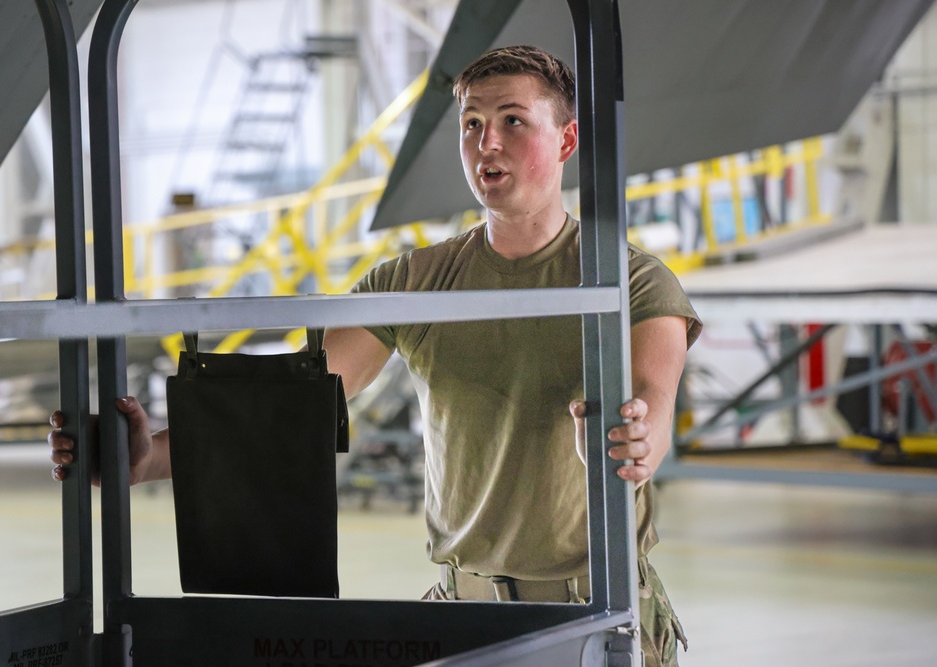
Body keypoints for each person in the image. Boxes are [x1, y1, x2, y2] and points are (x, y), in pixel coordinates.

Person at [49, 45, 700, 667]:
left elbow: (653, 408)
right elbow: (293, 405)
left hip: (598, 613)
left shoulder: (633, 282)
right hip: (463, 615)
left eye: (512, 121)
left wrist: (631, 443)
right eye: (471, 122)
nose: (486, 141)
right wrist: (149, 457)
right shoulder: (416, 282)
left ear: (565, 139)